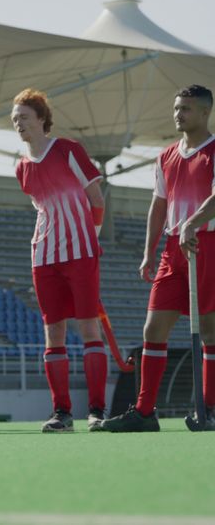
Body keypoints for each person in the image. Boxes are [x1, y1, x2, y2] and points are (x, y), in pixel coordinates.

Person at [103, 85, 215, 432]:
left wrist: (193, 224)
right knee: (153, 328)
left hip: (207, 245)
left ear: (204, 113)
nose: (178, 114)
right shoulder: (166, 155)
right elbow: (159, 204)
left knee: (210, 332)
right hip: (173, 249)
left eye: (186, 109)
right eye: (176, 107)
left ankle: (208, 409)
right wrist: (149, 251)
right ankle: (144, 411)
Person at [11, 88, 109, 432]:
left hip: (81, 252)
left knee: (88, 328)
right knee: (53, 332)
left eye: (24, 117)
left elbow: (96, 200)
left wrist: (90, 239)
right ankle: (62, 413)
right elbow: (43, 209)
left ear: (41, 119)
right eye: (14, 119)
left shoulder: (68, 150)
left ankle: (97, 410)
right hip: (44, 255)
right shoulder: (21, 167)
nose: (18, 123)